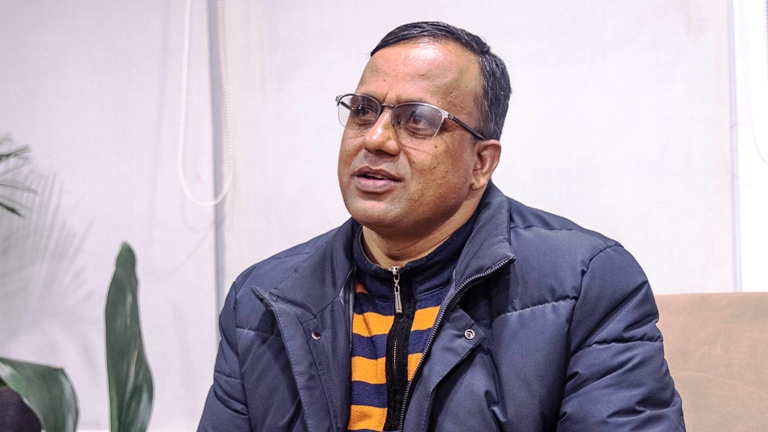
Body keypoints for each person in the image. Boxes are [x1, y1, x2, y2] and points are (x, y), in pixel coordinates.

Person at [198, 21, 685, 432]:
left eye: (417, 120)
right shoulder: (262, 298)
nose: (376, 139)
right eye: (363, 110)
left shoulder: (586, 282)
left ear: (481, 163)